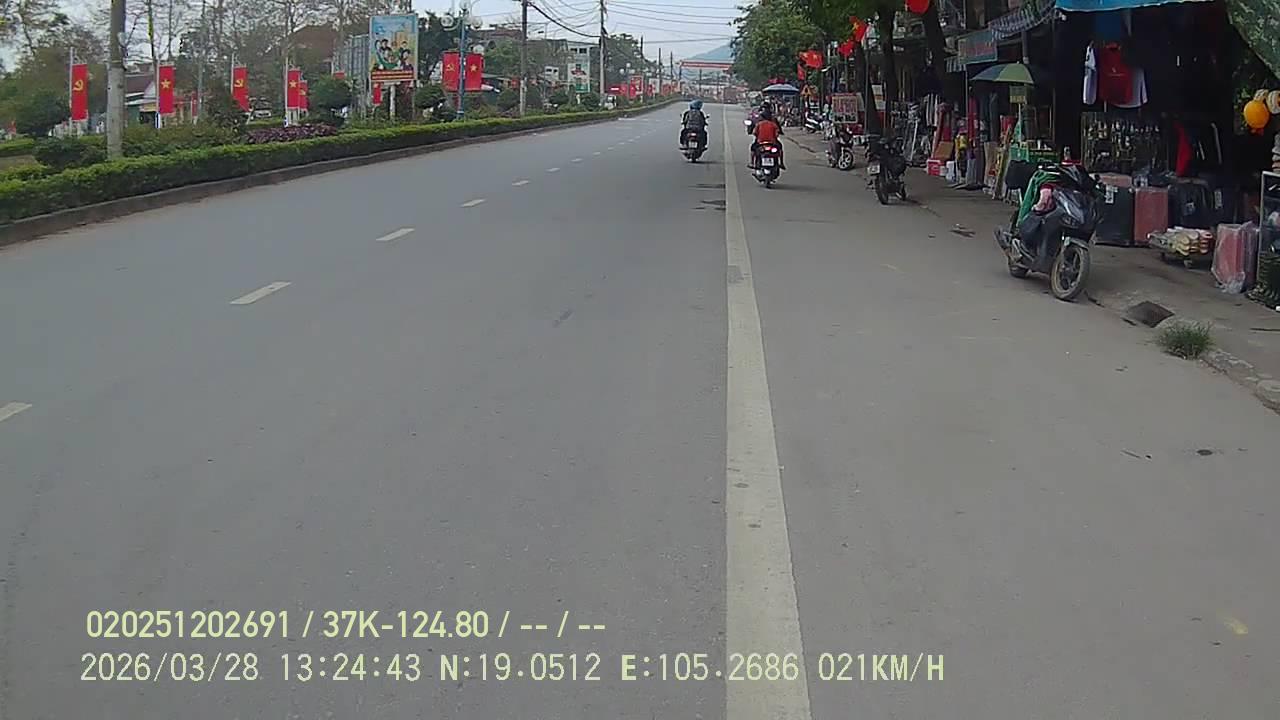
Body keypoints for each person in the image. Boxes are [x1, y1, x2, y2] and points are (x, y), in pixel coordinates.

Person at [750, 103, 785, 170]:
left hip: (760, 142)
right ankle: (781, 163)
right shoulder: (773, 124)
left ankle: (752, 163)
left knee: (753, 148)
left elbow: (755, 133)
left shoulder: (759, 123)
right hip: (772, 142)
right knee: (780, 148)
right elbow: (777, 133)